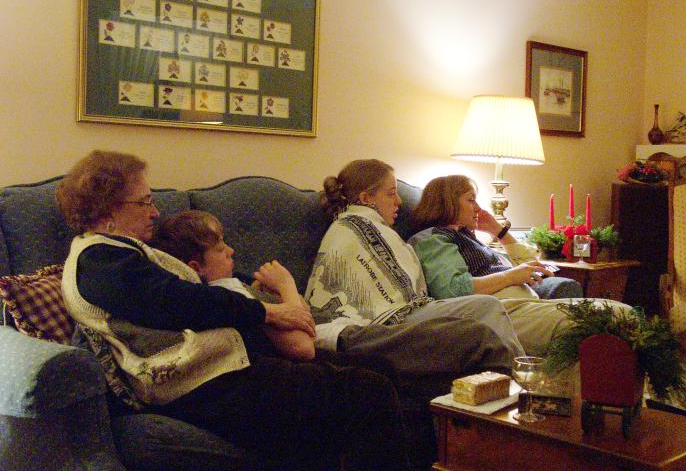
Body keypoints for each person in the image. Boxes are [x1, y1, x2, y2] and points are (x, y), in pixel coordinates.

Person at [57, 150, 411, 471]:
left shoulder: (121, 253)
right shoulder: (98, 260)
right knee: (368, 390)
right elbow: (181, 302)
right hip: (199, 384)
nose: (155, 211)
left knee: (381, 368)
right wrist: (268, 313)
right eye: (144, 201)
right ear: (108, 210)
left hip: (224, 367)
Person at [304, 159, 524, 394]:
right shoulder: (350, 227)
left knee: (488, 310)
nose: (399, 201)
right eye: (391, 194)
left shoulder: (373, 227)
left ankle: (507, 386)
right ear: (366, 198)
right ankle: (521, 385)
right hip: (392, 317)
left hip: (408, 309)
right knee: (487, 307)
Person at [409, 175, 632, 355]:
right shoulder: (434, 239)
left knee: (619, 311)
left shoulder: (469, 238)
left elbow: (531, 267)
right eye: (471, 200)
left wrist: (499, 232)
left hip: (526, 306)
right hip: (502, 314)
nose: (478, 208)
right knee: (617, 316)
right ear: (447, 203)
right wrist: (511, 277)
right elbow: (454, 290)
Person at [152, 209, 314, 361]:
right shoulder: (226, 291)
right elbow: (304, 347)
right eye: (220, 249)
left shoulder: (236, 281)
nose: (231, 251)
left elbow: (306, 315)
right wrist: (286, 284)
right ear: (196, 268)